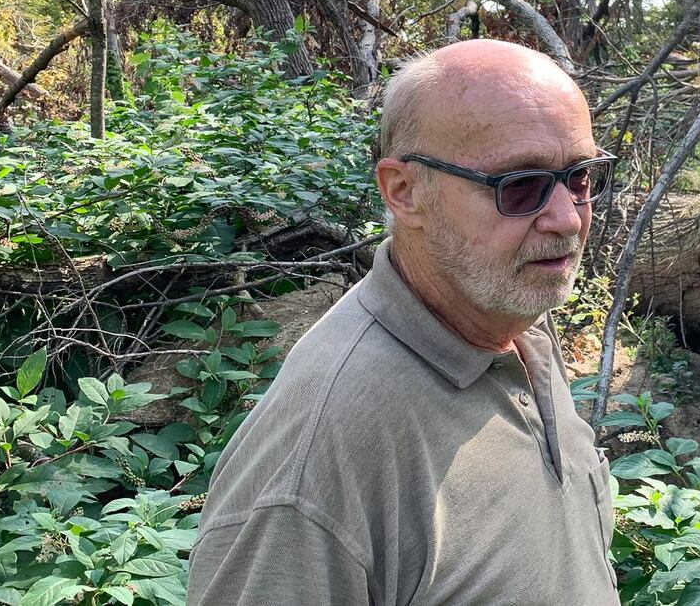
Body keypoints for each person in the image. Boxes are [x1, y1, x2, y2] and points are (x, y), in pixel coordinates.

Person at [187, 39, 620, 605]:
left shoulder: (514, 325)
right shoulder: (317, 459)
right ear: (404, 192)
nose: (566, 217)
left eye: (581, 178)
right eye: (520, 185)